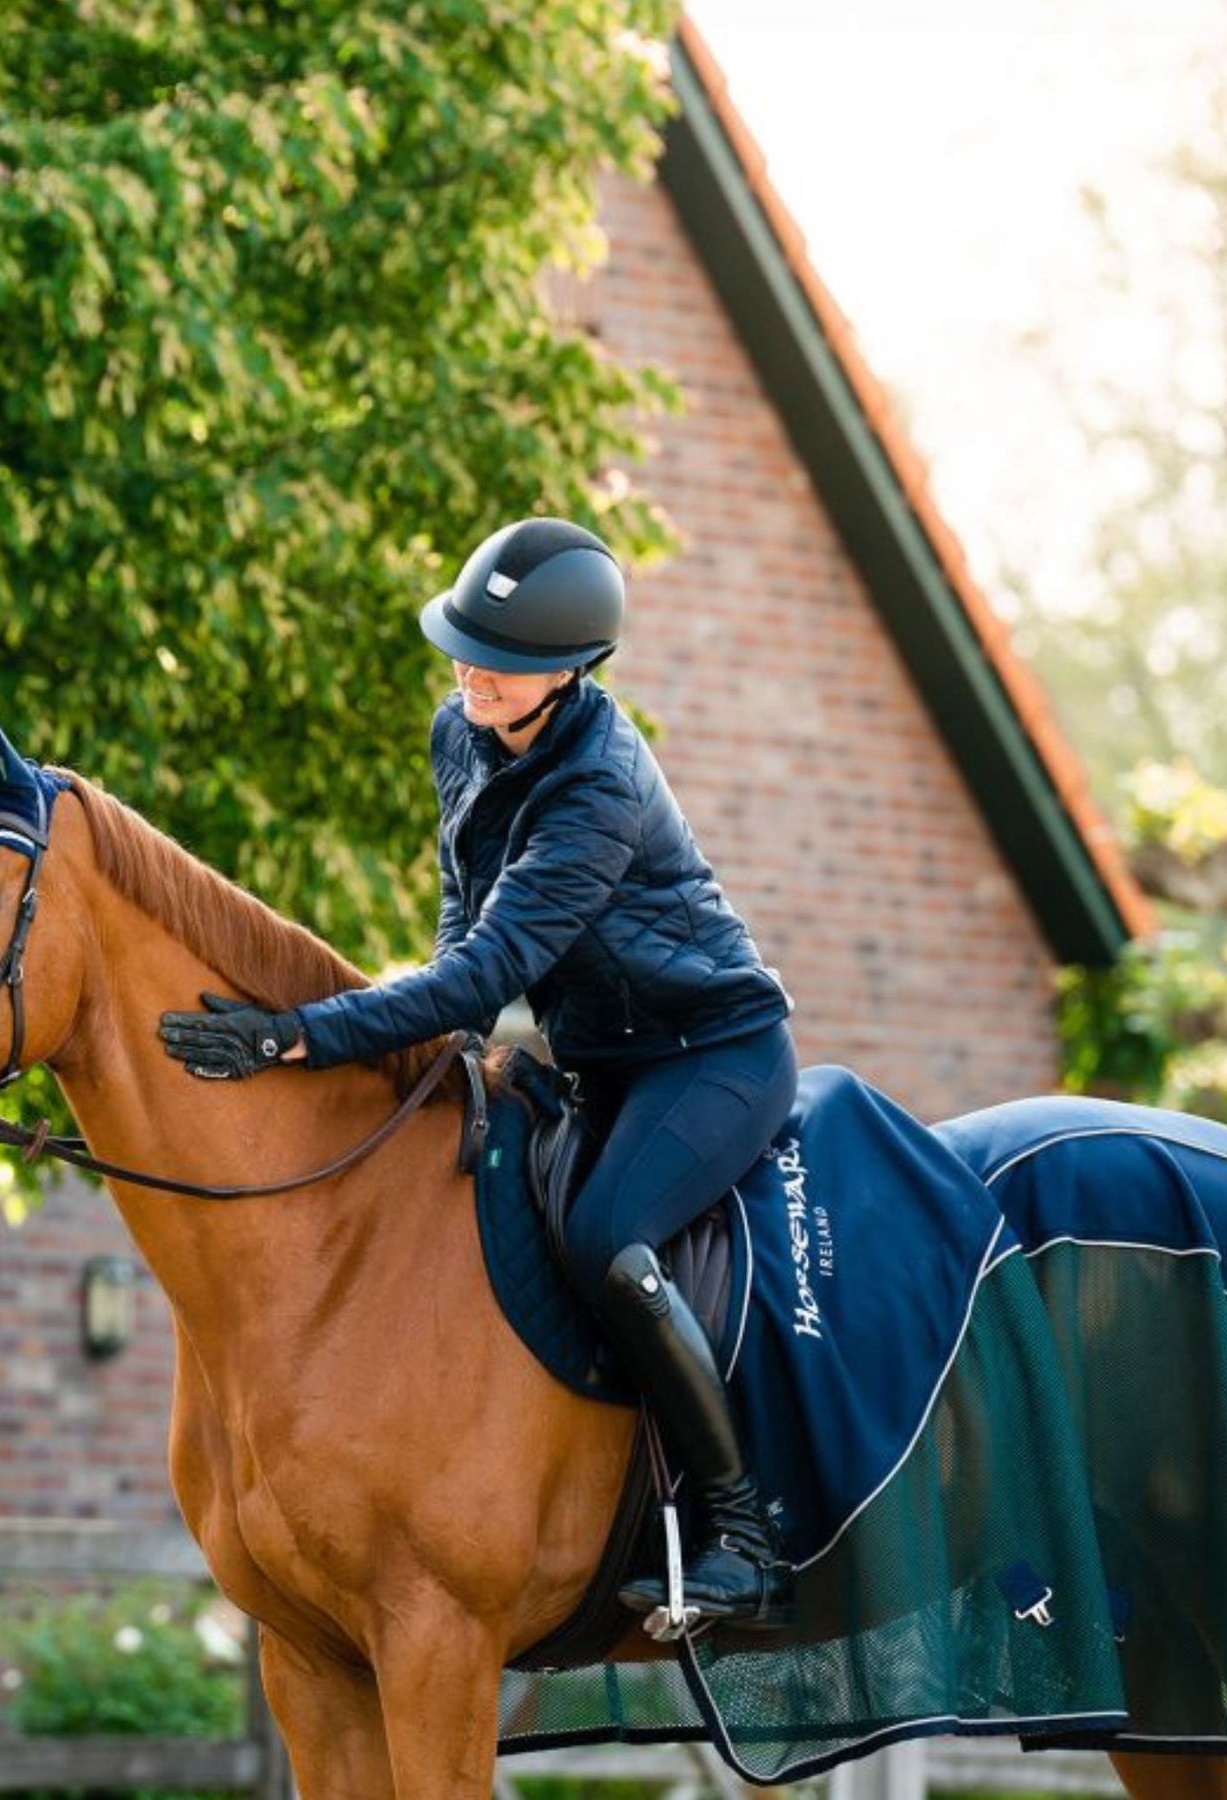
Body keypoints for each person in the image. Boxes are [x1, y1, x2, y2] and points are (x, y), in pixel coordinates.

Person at [160, 517, 798, 1628]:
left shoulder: (599, 782)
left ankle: (743, 1533)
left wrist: (301, 1032)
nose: (473, 673)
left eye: (501, 664)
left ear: (570, 673)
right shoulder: (459, 734)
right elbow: (463, 927)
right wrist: (423, 1045)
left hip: (712, 1059)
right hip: (598, 1060)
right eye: (466, 646)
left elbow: (494, 968)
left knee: (607, 1238)